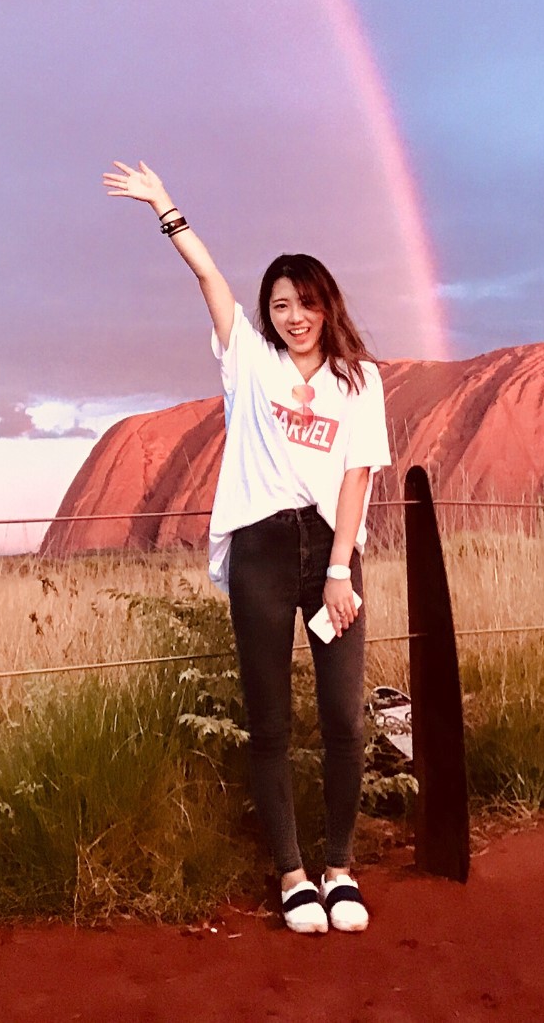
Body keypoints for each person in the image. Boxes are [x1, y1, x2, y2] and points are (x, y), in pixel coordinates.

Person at [104, 160, 389, 935]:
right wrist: (167, 208)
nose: (295, 315)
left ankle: (339, 866)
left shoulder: (360, 380)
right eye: (281, 304)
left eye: (307, 302)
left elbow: (358, 474)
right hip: (262, 550)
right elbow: (208, 277)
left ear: (329, 304)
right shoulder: (250, 362)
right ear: (268, 311)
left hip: (331, 551)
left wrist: (338, 568)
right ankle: (293, 874)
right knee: (270, 719)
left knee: (342, 718)